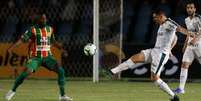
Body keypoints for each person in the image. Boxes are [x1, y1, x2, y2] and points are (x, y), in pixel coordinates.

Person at [110, 9, 182, 101]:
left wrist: (169, 49)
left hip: (161, 54)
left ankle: (174, 96)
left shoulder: (169, 24)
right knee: (134, 58)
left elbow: (176, 35)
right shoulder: (161, 25)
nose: (154, 19)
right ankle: (113, 71)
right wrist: (170, 48)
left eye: (155, 17)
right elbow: (174, 37)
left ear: (161, 16)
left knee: (155, 78)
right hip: (154, 51)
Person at [5, 14, 73, 101]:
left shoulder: (50, 29)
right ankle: (12, 91)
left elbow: (53, 41)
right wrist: (11, 48)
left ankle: (62, 96)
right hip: (35, 58)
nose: (44, 20)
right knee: (26, 72)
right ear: (38, 20)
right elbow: (22, 40)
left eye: (45, 18)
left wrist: (62, 49)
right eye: (42, 19)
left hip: (48, 57)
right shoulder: (32, 30)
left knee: (61, 71)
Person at [174, 1, 201, 94]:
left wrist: (196, 39)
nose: (189, 9)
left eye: (191, 8)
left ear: (195, 9)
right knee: (184, 64)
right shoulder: (186, 20)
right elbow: (189, 33)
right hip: (190, 45)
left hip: (199, 44)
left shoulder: (198, 18)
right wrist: (185, 44)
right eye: (188, 8)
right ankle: (181, 89)